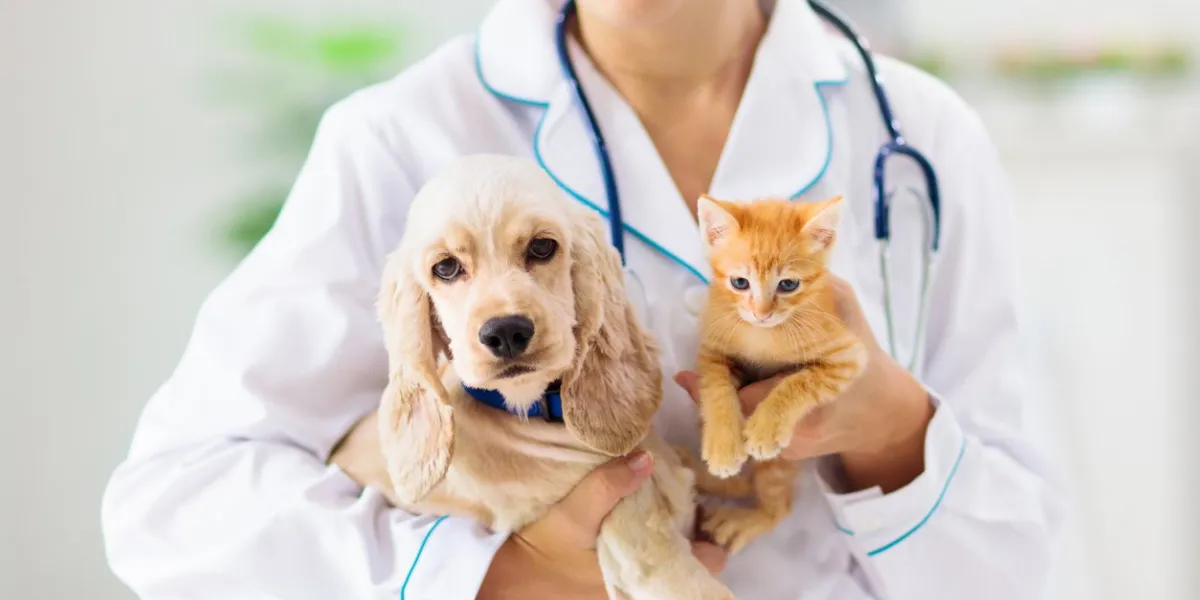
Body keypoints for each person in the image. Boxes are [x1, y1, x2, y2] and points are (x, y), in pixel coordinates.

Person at [101, 0, 1066, 598]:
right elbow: (174, 509)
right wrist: (505, 579)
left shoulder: (919, 136)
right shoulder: (398, 140)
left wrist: (891, 425)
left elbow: (1011, 569)